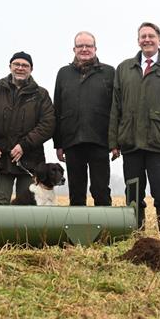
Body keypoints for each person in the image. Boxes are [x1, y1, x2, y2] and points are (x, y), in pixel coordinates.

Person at [109, 22, 160, 234]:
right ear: (138, 41)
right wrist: (114, 141)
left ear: (159, 40)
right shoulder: (124, 68)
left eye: (151, 36)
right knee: (133, 191)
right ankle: (137, 234)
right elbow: (115, 106)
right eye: (143, 36)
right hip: (131, 141)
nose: (147, 39)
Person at [0, 51, 55, 204]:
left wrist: (24, 145)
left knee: (28, 206)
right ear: (10, 67)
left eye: (25, 65)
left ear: (31, 69)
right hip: (1, 160)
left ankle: (24, 230)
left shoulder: (41, 95)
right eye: (16, 64)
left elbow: (48, 124)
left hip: (31, 163)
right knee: (0, 204)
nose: (20, 68)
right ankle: (0, 229)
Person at [53, 31, 115, 206]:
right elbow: (57, 108)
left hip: (100, 140)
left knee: (101, 190)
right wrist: (58, 143)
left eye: (88, 46)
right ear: (74, 49)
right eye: (80, 46)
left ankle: (104, 230)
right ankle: (78, 231)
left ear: (95, 48)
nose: (84, 49)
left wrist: (116, 141)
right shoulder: (63, 73)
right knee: (76, 191)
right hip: (72, 141)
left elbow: (117, 108)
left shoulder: (109, 72)